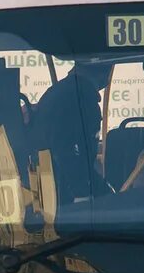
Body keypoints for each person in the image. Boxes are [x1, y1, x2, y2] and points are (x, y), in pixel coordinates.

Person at [31, 61, 114, 201]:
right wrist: (82, 193)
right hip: (63, 190)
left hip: (47, 182)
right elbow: (70, 152)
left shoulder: (57, 92)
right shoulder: (82, 99)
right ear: (104, 73)